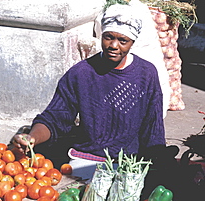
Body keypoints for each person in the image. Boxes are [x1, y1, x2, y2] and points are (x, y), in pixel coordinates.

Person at [13, 4, 166, 179]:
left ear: (132, 42)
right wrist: (32, 138)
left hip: (130, 161)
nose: (114, 45)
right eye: (108, 37)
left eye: (123, 41)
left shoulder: (146, 73)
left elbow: (153, 125)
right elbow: (55, 117)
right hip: (87, 158)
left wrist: (156, 162)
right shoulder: (81, 73)